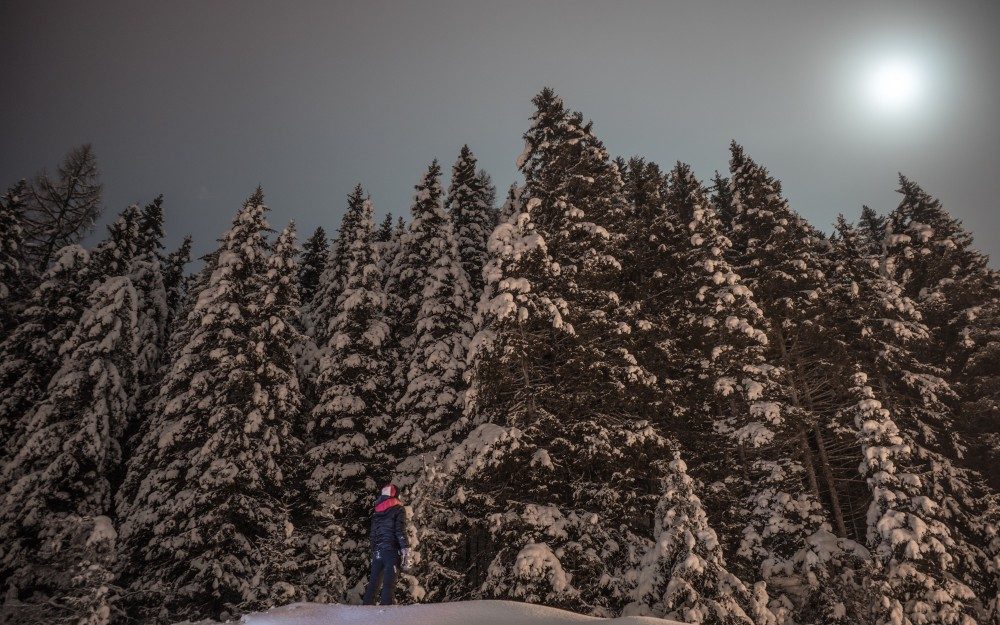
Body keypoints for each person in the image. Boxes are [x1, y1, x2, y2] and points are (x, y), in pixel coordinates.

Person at [362, 483, 410, 606]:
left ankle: (365, 613)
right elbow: (400, 530)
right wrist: (405, 548)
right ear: (396, 495)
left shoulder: (376, 512)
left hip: (378, 552)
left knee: (373, 585)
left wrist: (374, 551)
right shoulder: (398, 509)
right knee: (389, 585)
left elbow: (373, 534)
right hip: (391, 551)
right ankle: (388, 615)